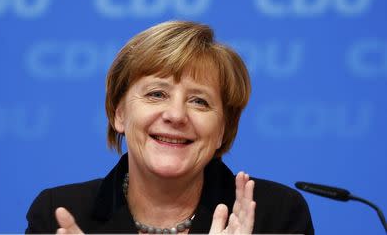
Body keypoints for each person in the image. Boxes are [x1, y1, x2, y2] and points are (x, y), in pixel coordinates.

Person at [26, 21, 314, 234]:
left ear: (223, 129)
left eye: (199, 101)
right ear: (120, 114)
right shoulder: (58, 212)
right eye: (156, 94)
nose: (176, 115)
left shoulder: (276, 215)